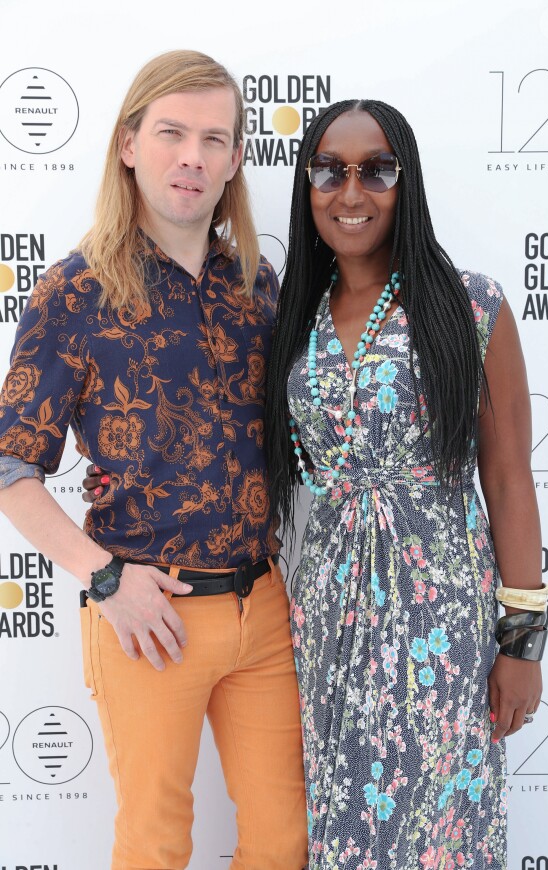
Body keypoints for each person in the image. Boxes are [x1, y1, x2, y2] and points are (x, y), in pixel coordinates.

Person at [0, 50, 307, 870]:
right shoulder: (74, 291)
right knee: (155, 846)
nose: (192, 156)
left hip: (265, 608)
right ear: (129, 145)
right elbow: (12, 469)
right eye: (171, 132)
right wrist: (105, 578)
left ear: (237, 159)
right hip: (149, 615)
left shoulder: (258, 285)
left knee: (285, 843)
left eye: (214, 138)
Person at [265, 100, 546, 870]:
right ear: (308, 184)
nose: (351, 192)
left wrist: (521, 640)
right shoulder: (295, 314)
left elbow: (510, 476)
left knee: (444, 818)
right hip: (328, 619)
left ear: (406, 181)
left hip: (441, 620)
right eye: (329, 169)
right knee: (345, 822)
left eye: (377, 170)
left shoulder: (471, 304)